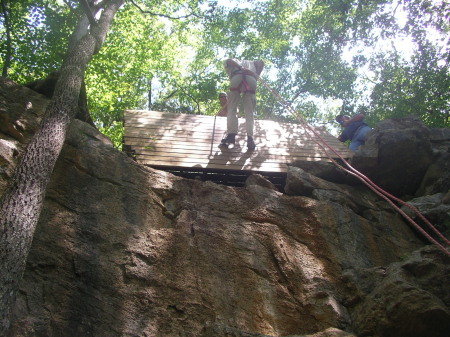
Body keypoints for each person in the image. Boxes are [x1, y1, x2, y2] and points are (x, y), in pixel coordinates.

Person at [220, 58, 264, 150]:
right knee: (249, 112)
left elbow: (228, 61)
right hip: (251, 79)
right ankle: (250, 139)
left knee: (232, 108)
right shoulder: (253, 63)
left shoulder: (234, 61)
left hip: (236, 78)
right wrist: (256, 76)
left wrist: (239, 67)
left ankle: (231, 135)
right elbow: (261, 62)